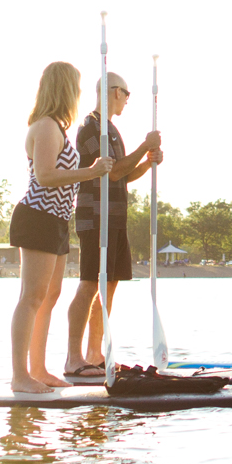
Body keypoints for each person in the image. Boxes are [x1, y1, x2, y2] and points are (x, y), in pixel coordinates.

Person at [8, 62, 112, 393]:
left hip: (56, 220)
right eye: (76, 87)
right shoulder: (45, 127)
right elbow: (45, 176)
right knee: (32, 297)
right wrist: (90, 171)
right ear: (64, 88)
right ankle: (20, 376)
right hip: (37, 216)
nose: (79, 94)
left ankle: (38, 369)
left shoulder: (58, 129)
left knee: (49, 296)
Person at [63, 72, 163, 378]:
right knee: (90, 283)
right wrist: (143, 145)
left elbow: (125, 174)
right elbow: (113, 173)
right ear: (112, 92)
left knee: (109, 285)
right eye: (126, 93)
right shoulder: (91, 127)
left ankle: (95, 355)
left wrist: (148, 161)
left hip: (116, 217)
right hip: (95, 217)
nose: (128, 99)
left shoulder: (112, 129)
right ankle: (73, 358)